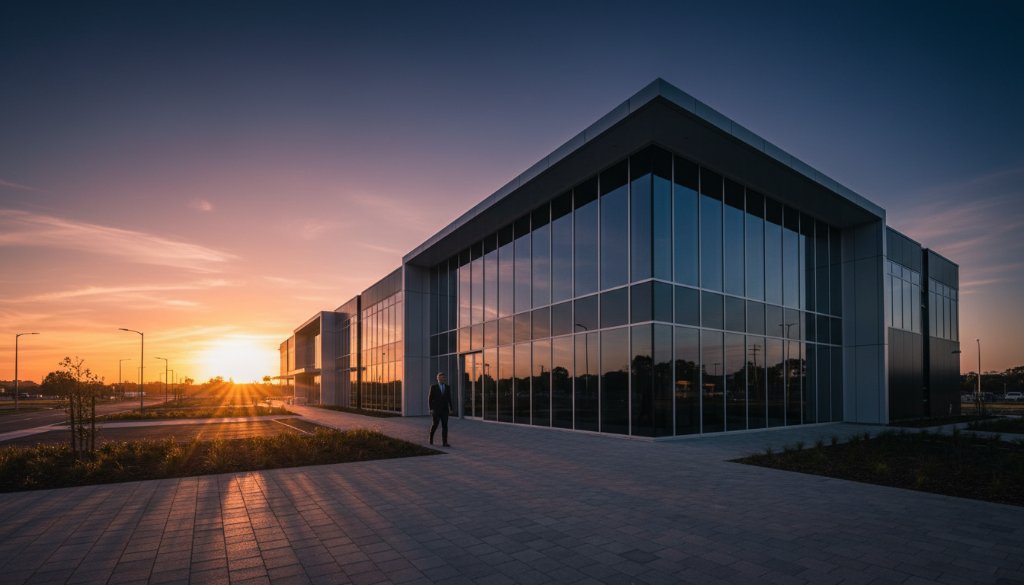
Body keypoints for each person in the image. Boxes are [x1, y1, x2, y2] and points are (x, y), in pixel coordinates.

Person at [428, 372, 454, 447]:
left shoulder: (447, 387)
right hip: (436, 410)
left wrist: (451, 408)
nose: (443, 379)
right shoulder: (433, 387)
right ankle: (431, 437)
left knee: (445, 425)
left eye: (444, 377)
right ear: (438, 378)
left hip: (445, 410)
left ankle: (444, 442)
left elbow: (449, 398)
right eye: (441, 377)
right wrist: (431, 409)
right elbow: (430, 399)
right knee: (435, 425)